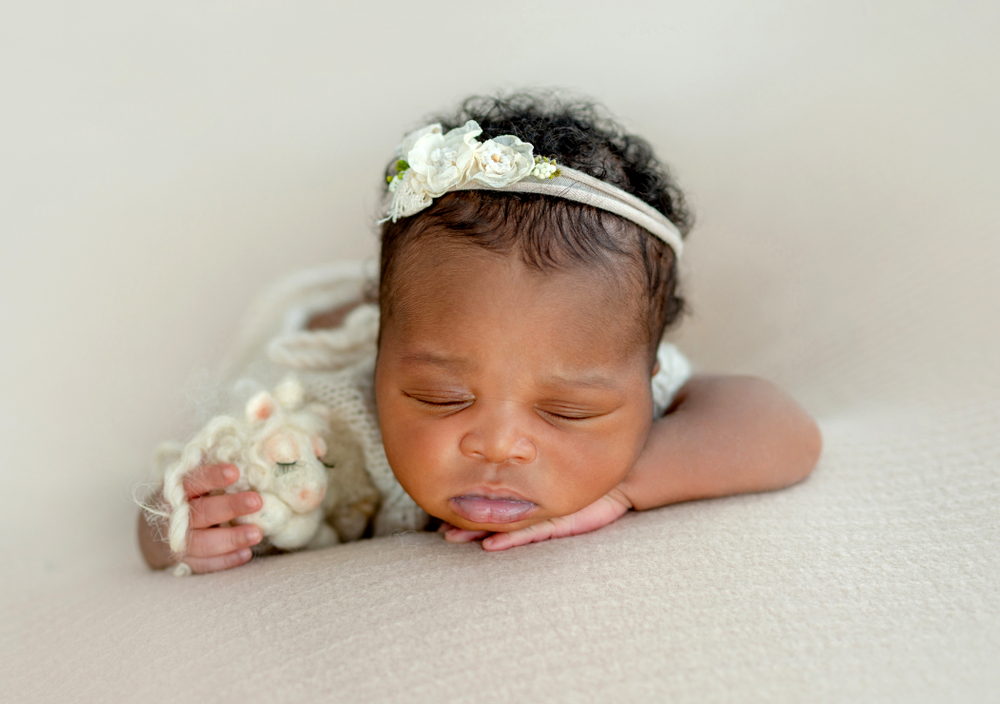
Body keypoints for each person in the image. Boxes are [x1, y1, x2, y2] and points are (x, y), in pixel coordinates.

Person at [138, 92, 822, 574]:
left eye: (568, 411)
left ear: (645, 381)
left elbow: (786, 430)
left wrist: (631, 482)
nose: (497, 443)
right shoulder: (337, 426)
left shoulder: (639, 389)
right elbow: (158, 512)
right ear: (379, 361)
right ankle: (347, 302)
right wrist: (183, 525)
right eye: (440, 396)